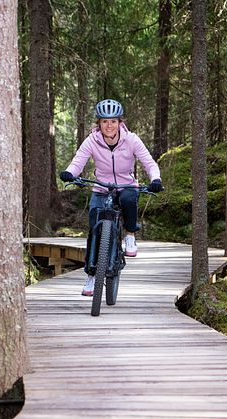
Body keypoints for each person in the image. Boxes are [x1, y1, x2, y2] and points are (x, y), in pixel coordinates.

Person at [59, 99, 163, 296]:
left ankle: (130, 236)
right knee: (94, 228)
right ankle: (91, 276)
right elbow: (77, 162)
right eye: (105, 122)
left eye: (113, 121)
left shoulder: (131, 139)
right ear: (99, 123)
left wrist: (155, 179)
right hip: (101, 187)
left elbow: (149, 162)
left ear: (119, 122)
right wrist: (69, 173)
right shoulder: (92, 141)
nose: (109, 126)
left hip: (125, 185)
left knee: (128, 200)